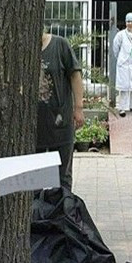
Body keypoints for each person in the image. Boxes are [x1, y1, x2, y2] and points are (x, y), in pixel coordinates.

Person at [36, 31, 84, 191]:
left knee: (63, 176)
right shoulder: (25, 48)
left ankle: (64, 211)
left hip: (61, 120)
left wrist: (79, 107)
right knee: (36, 177)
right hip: (35, 125)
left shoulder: (60, 45)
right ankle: (39, 213)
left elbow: (75, 75)